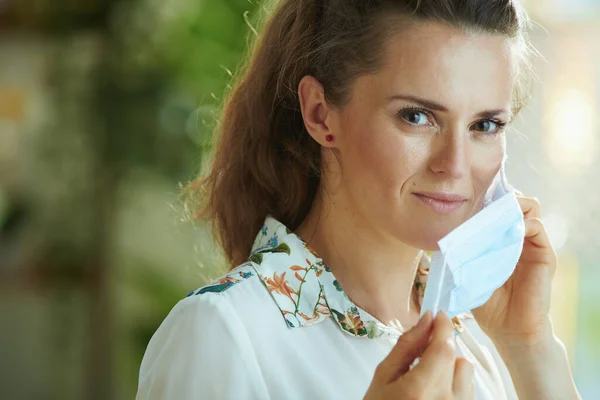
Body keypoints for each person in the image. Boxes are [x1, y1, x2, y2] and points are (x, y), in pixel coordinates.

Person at [136, 0, 581, 399]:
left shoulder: (476, 343)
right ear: (320, 113)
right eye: (417, 116)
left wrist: (528, 343)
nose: (456, 165)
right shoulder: (222, 333)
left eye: (485, 126)